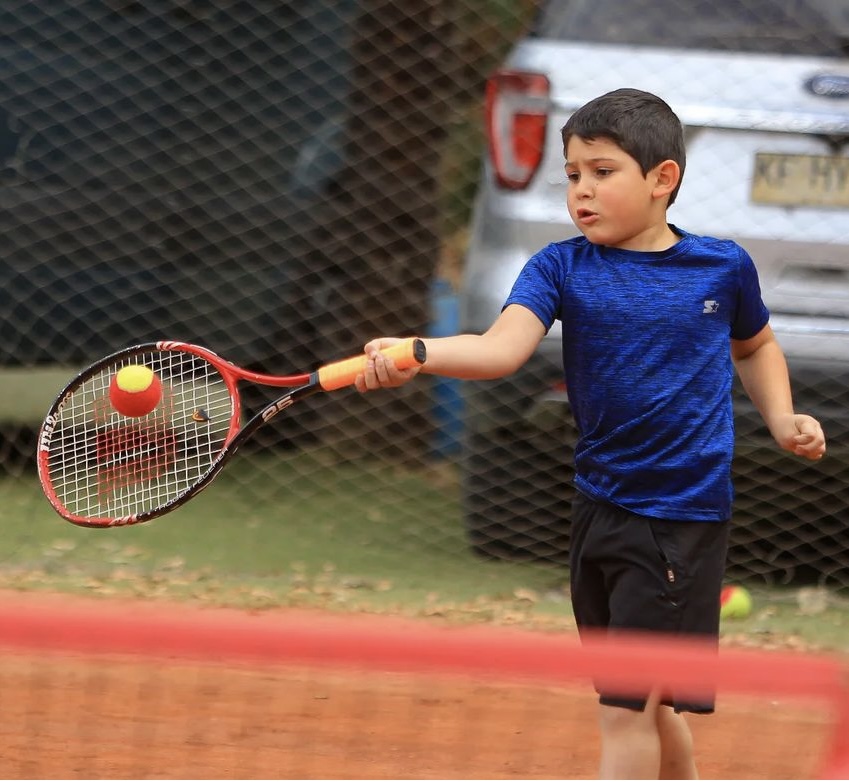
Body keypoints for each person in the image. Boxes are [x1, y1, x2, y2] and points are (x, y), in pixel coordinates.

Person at [354, 88, 826, 779]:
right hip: (598, 506)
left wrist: (780, 417)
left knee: (623, 710)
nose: (582, 190)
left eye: (602, 172)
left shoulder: (720, 267)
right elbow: (499, 350)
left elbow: (753, 347)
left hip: (679, 518)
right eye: (573, 173)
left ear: (661, 180)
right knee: (640, 697)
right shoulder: (559, 266)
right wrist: (418, 352)